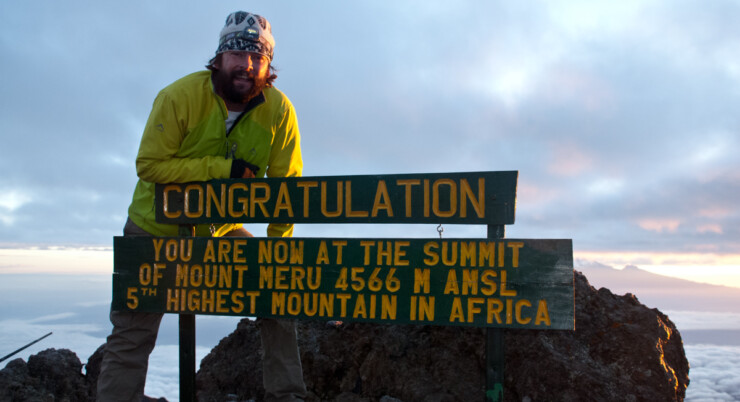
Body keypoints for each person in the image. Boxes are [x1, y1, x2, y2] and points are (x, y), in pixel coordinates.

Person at [96, 11, 306, 402]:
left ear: (268, 64)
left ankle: (286, 395)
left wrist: (279, 250)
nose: (246, 64)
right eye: (237, 54)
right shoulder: (179, 96)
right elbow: (149, 165)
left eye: (257, 57)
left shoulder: (279, 111)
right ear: (219, 57)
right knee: (132, 334)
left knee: (278, 292)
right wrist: (220, 169)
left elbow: (285, 190)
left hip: (220, 232)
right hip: (154, 231)